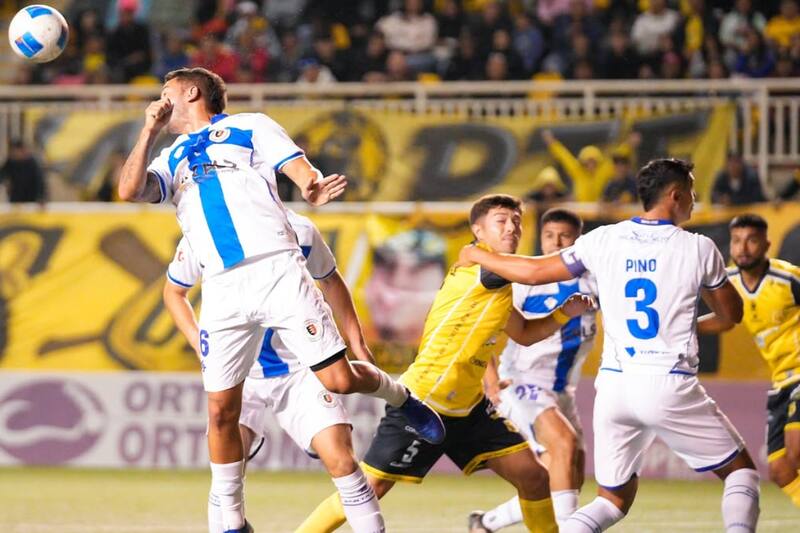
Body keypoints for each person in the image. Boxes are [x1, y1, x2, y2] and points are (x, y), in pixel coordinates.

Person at [117, 67, 444, 533]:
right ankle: (232, 525)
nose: (160, 99)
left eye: (165, 91)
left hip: (276, 268)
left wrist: (310, 184)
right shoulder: (170, 158)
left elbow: (296, 166)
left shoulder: (249, 126)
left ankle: (401, 398)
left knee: (339, 378)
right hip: (222, 289)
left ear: (190, 91)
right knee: (219, 412)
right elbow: (128, 190)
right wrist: (148, 128)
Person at [460, 159, 761, 532]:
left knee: (610, 500)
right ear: (676, 195)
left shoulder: (603, 240)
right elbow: (731, 315)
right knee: (741, 473)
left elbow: (534, 270)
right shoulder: (699, 248)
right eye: (692, 193)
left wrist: (477, 254)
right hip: (666, 382)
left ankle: (493, 523)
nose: (694, 201)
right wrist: (685, 325)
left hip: (614, 387)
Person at [296, 194, 595, 533]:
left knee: (535, 478)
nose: (512, 227)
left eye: (516, 221)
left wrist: (561, 313)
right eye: (501, 221)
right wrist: (592, 251)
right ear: (477, 230)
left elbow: (524, 333)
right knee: (366, 492)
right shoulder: (481, 264)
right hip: (424, 401)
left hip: (469, 408)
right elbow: (534, 272)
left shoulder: (496, 282)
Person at [163, 209, 387, 532]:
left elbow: (331, 280)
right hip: (242, 375)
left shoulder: (300, 230)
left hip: (299, 371)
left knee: (342, 461)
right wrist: (201, 345)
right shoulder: (204, 229)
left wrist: (358, 343)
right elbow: (173, 291)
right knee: (226, 469)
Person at [469, 208, 599, 532]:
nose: (556, 242)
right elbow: (483, 329)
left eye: (565, 236)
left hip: (561, 390)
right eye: (549, 235)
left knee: (568, 474)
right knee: (564, 447)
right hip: (523, 382)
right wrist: (491, 380)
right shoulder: (526, 280)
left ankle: (485, 523)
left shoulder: (595, 281)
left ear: (578, 240)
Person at [698, 214, 800, 508]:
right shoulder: (728, 281)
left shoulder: (788, 278)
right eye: (737, 241)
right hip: (781, 380)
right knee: (781, 470)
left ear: (766, 244)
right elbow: (726, 321)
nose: (743, 248)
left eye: (752, 240)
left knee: (796, 447)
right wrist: (688, 326)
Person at [0, 139, 46, 203]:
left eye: (15, 151)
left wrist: (41, 197)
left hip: (31, 199)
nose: (13, 154)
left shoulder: (33, 163)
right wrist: (5, 180)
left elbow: (40, 182)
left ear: (22, 150)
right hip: (15, 198)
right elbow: (2, 174)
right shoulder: (11, 161)